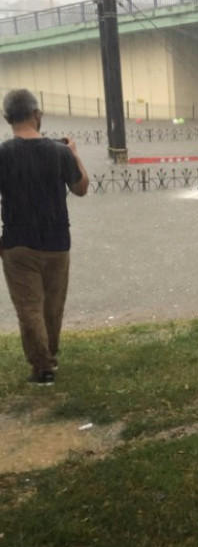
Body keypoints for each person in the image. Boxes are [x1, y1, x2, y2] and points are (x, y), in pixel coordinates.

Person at [0, 89, 89, 385]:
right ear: (37, 115)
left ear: (7, 118)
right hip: (57, 242)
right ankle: (49, 357)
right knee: (52, 307)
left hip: (17, 243)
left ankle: (42, 367)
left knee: (28, 308)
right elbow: (81, 188)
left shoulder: (3, 154)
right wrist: (74, 154)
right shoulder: (59, 152)